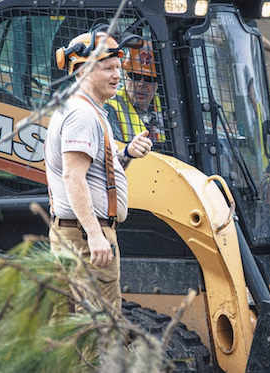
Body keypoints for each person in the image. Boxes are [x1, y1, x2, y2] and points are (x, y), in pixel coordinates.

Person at [46, 30, 153, 314]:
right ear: (83, 71)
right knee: (99, 328)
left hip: (77, 234)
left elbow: (95, 170)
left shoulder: (89, 110)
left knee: (71, 329)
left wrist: (125, 154)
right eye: (108, 68)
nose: (117, 74)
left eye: (118, 68)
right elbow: (73, 176)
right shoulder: (82, 114)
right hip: (85, 236)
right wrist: (95, 234)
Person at [105, 41, 165, 142]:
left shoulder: (168, 105)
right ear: (125, 76)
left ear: (158, 83)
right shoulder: (111, 108)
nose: (141, 84)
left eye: (149, 78)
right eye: (135, 76)